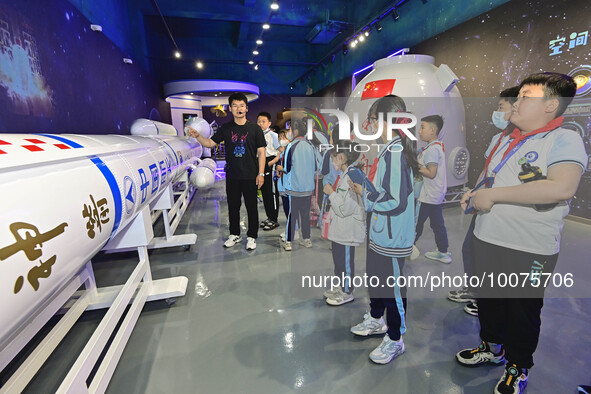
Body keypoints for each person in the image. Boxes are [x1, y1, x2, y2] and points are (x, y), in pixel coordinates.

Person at [456, 72, 586, 394]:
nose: (517, 102)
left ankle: (517, 365)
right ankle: (491, 347)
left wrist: (495, 196)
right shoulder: (506, 137)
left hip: (529, 248)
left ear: (550, 105)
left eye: (526, 96)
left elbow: (562, 187)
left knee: (522, 309)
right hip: (487, 237)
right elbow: (493, 177)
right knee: (489, 301)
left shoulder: (564, 139)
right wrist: (475, 191)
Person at [349, 95, 420, 364]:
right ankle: (377, 319)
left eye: (372, 119)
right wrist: (366, 187)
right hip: (381, 232)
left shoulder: (395, 151)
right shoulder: (390, 148)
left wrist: (365, 195)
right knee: (376, 279)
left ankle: (395, 338)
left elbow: (395, 200)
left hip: (390, 236)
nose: (370, 125)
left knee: (391, 288)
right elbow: (388, 192)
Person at [448, 86, 520, 317]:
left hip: (503, 211)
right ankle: (476, 290)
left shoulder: (528, 141)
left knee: (494, 261)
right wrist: (474, 192)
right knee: (471, 249)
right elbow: (488, 170)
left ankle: (487, 300)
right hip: (483, 205)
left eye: (501, 107)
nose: (497, 112)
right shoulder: (499, 137)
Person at [186, 93, 266, 250]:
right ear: (230, 109)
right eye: (235, 106)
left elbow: (262, 152)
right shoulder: (226, 128)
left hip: (251, 175)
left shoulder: (255, 129)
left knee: (251, 207)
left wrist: (261, 173)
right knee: (233, 206)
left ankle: (251, 236)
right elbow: (209, 143)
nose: (239, 108)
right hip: (233, 175)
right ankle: (234, 234)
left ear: (246, 108)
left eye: (241, 105)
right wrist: (197, 136)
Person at [322, 140, 366, 306]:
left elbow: (344, 208)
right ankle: (341, 287)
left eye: (334, 157)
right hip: (340, 230)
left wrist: (331, 193)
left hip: (348, 231)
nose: (332, 161)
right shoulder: (344, 174)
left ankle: (347, 291)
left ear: (341, 157)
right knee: (338, 261)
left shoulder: (352, 176)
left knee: (346, 263)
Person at [412, 115, 451, 263]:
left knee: (417, 223)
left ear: (433, 130)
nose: (420, 131)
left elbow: (431, 173)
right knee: (437, 224)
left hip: (427, 195)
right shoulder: (435, 146)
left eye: (422, 127)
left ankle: (408, 249)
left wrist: (415, 166)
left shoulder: (432, 150)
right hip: (435, 195)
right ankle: (443, 251)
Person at [282, 119, 317, 251]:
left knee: (292, 215)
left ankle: (289, 241)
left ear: (296, 131)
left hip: (294, 189)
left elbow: (286, 168)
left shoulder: (291, 146)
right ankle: (306, 239)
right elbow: (315, 167)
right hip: (308, 189)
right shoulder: (310, 146)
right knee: (305, 215)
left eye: (290, 130)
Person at [257, 112, 281, 231]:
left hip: (270, 163)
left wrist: (273, 162)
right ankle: (269, 217)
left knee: (271, 192)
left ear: (269, 123)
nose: (261, 124)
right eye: (259, 121)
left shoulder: (274, 135)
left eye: (263, 121)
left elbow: (281, 151)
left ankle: (274, 219)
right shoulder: (257, 135)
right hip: (261, 164)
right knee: (265, 192)